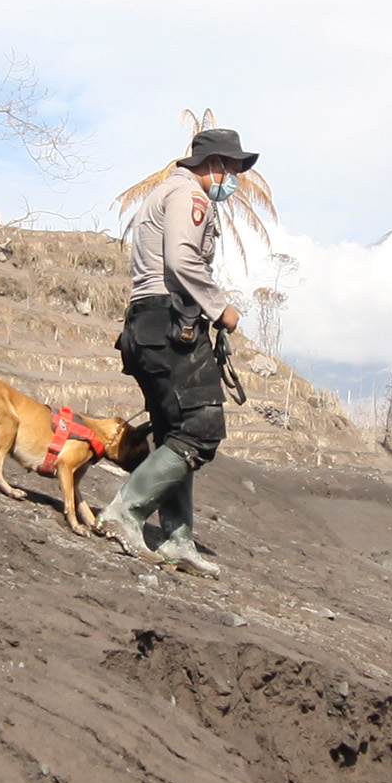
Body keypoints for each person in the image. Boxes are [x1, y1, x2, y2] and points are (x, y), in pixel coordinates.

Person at [104, 122, 257, 572]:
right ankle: (124, 512)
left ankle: (177, 538)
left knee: (175, 432)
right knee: (200, 431)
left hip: (147, 324)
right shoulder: (189, 195)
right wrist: (220, 308)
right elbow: (182, 258)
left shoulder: (166, 193)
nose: (234, 178)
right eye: (232, 168)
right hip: (170, 323)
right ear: (213, 163)